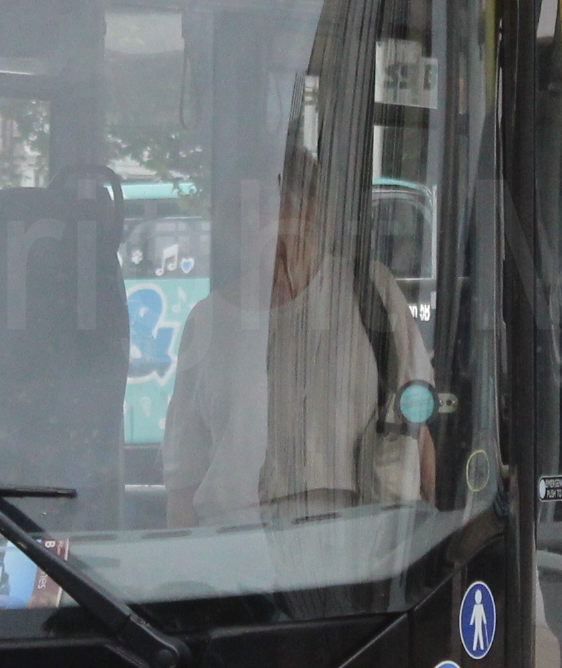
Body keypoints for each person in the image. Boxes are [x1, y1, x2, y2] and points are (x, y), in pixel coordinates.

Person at [163, 166, 432, 527]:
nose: (256, 225)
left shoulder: (372, 293)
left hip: (359, 553)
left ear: (310, 213)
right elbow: (183, 480)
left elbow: (418, 431)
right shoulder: (207, 322)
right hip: (237, 555)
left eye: (269, 207)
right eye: (239, 212)